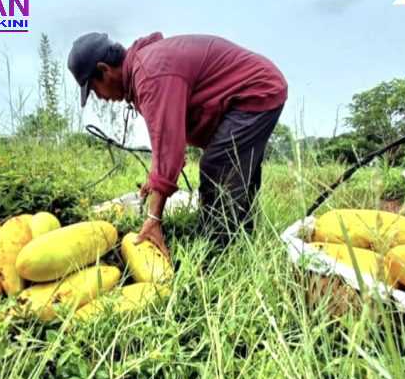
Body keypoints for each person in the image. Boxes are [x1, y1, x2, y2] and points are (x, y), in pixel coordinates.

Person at [68, 32, 288, 257]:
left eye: (94, 89)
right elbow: (166, 137)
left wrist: (154, 217)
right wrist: (155, 177)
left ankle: (216, 257)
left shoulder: (150, 74)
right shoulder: (145, 69)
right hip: (258, 89)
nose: (100, 97)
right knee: (236, 175)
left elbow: (170, 150)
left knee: (219, 169)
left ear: (104, 70)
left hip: (255, 92)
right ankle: (242, 247)